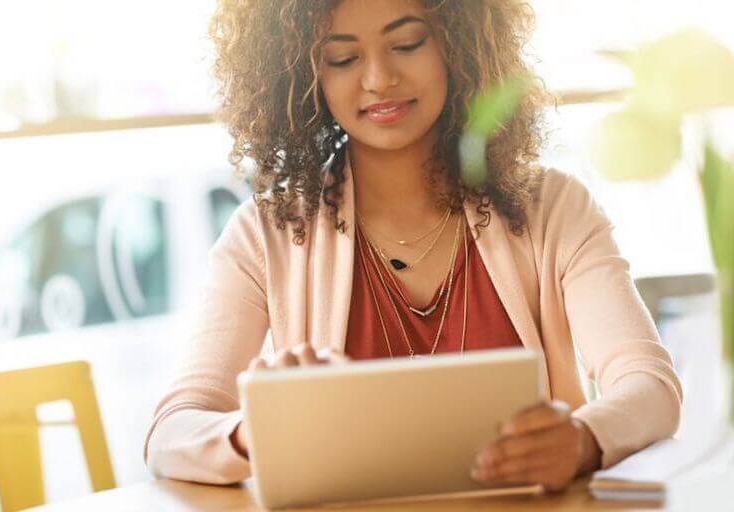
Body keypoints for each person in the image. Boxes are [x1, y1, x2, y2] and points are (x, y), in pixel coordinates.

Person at [144, 0, 682, 492]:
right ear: (304, 78)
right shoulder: (267, 232)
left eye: (406, 44)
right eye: (342, 58)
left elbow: (649, 386)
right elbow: (172, 430)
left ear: (459, 43)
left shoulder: (554, 208)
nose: (380, 79)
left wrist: (584, 438)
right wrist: (255, 432)